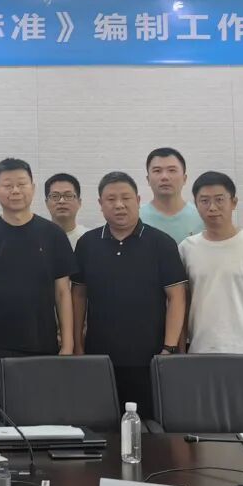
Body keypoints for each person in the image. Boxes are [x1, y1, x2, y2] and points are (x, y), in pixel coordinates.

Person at [0, 158, 76, 420]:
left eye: (21, 184)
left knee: (40, 420)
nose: (15, 190)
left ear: (33, 188)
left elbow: (63, 292)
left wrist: (68, 345)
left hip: (42, 345)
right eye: (7, 185)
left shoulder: (53, 235)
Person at [72, 172, 187, 419]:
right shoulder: (87, 244)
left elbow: (177, 297)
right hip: (98, 357)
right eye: (111, 199)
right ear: (100, 204)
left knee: (146, 427)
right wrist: (78, 345)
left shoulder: (161, 243)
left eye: (126, 198)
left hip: (149, 357)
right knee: (101, 425)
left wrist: (168, 348)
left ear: (138, 200)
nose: (119, 205)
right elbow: (78, 295)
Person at [180, 171, 243, 383]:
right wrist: (179, 354)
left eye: (219, 200)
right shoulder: (187, 248)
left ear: (233, 202)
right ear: (196, 205)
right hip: (200, 352)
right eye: (204, 201)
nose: (212, 207)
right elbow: (181, 304)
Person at [139, 148, 204, 243]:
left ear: (184, 178)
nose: (164, 177)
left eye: (172, 170)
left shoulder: (202, 217)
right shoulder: (136, 218)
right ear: (148, 179)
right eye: (157, 171)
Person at [44, 173, 87, 248]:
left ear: (79, 202)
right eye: (55, 196)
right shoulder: (36, 238)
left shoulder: (89, 239)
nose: (61, 201)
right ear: (46, 203)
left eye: (68, 196)